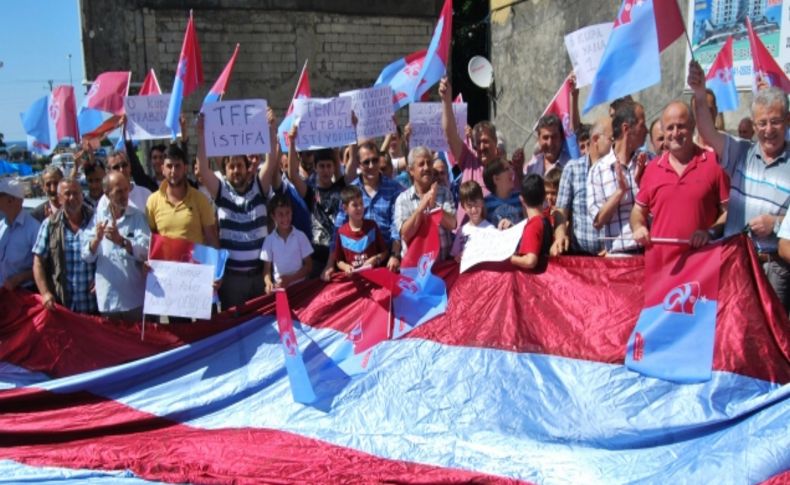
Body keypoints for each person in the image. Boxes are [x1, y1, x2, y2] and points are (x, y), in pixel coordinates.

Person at [688, 60, 790, 312]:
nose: (768, 130)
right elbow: (708, 132)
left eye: (775, 122)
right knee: (733, 334)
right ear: (754, 126)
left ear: (787, 121)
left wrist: (776, 223)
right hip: (735, 263)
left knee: (769, 342)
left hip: (772, 268)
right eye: (762, 123)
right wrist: (700, 95)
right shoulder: (740, 153)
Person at [196, 110, 277, 309]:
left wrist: (271, 129)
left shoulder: (260, 186)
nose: (236, 171)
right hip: (232, 280)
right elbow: (203, 170)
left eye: (239, 165)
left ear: (247, 166)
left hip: (260, 276)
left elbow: (272, 160)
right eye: (231, 166)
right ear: (225, 170)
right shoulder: (221, 190)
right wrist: (201, 135)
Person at [631, 101, 729, 250]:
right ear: (663, 131)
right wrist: (638, 227)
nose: (675, 133)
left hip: (702, 265)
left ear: (692, 127)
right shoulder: (652, 169)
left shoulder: (714, 163)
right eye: (670, 128)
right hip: (661, 266)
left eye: (681, 126)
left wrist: (710, 233)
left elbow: (729, 212)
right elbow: (637, 212)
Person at [285, 125, 357, 277]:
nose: (325, 170)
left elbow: (353, 164)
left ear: (333, 168)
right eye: (322, 166)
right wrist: (291, 142)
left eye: (329, 166)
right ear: (315, 168)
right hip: (316, 259)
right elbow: (292, 174)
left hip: (340, 257)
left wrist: (352, 131)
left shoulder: (341, 188)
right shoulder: (310, 192)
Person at [81, 172, 150, 321]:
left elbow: (146, 251)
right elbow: (86, 256)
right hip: (108, 301)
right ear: (107, 193)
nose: (125, 195)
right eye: (119, 191)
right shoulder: (98, 219)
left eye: (126, 190)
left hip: (134, 300)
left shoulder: (138, 217)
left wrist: (122, 242)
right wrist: (96, 240)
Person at [587, 101, 648, 255]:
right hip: (619, 257)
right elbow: (598, 221)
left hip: (650, 252)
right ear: (626, 128)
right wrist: (620, 192)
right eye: (642, 125)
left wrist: (642, 183)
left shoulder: (649, 162)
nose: (646, 131)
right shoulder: (598, 171)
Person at [334, 141, 403, 272]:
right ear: (359, 164)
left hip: (387, 262)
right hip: (355, 264)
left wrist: (395, 255)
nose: (371, 165)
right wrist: (330, 264)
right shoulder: (350, 191)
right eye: (366, 162)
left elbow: (397, 226)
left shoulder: (394, 188)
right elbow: (338, 227)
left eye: (375, 160)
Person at [32, 178, 97, 313]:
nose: (72, 197)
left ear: (82, 195)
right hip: (63, 309)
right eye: (67, 194)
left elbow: (109, 255)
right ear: (59, 198)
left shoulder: (96, 219)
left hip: (94, 307)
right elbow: (38, 263)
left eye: (76, 193)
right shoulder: (50, 225)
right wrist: (45, 293)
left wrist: (102, 279)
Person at [551, 116, 612, 256]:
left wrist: (615, 246)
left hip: (609, 257)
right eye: (611, 139)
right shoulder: (572, 169)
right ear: (596, 139)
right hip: (580, 258)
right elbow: (561, 211)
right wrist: (560, 236)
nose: (615, 143)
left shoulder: (616, 168)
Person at [146, 144, 219, 247]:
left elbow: (211, 239)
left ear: (185, 168)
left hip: (194, 262)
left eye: (177, 166)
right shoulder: (152, 201)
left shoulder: (200, 199)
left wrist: (217, 262)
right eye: (169, 166)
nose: (173, 171)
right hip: (165, 262)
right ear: (163, 169)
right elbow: (151, 240)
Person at [394, 146, 457, 261]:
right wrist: (421, 208)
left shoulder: (444, 193)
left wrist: (434, 208)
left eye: (429, 163)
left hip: (444, 265)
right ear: (411, 170)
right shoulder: (402, 199)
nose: (426, 167)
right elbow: (405, 234)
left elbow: (452, 224)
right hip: (417, 271)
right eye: (421, 164)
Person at [322, 185, 388, 280]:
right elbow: (339, 261)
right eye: (355, 205)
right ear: (345, 208)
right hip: (354, 280)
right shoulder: (342, 232)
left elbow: (384, 252)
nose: (359, 208)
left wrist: (375, 259)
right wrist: (346, 267)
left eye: (361, 203)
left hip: (374, 278)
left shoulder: (372, 226)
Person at [260, 193, 313, 293]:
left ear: (292, 212)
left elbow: (309, 266)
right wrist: (268, 283)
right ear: (273, 216)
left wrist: (290, 279)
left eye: (287, 213)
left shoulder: (300, 236)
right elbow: (266, 270)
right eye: (280, 214)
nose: (285, 218)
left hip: (300, 290)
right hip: (280, 292)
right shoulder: (269, 240)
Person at [0, 178, 40, 290]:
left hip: (24, 294)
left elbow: (43, 266)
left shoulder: (34, 228)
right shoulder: (1, 226)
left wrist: (19, 278)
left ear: (10, 200)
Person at [510, 174, 552, 271]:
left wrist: (510, 258)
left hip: (532, 281)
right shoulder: (545, 220)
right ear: (544, 196)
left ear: (521, 199)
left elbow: (530, 261)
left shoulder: (533, 225)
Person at [450, 180, 492, 262]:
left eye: (476, 204)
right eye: (469, 206)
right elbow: (454, 256)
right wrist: (458, 258)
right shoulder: (461, 231)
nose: (474, 209)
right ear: (463, 207)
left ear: (482, 202)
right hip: (466, 273)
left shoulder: (491, 229)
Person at [483, 159, 522, 229]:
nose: (512, 172)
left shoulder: (520, 198)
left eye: (511, 168)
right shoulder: (486, 204)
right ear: (496, 179)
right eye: (507, 169)